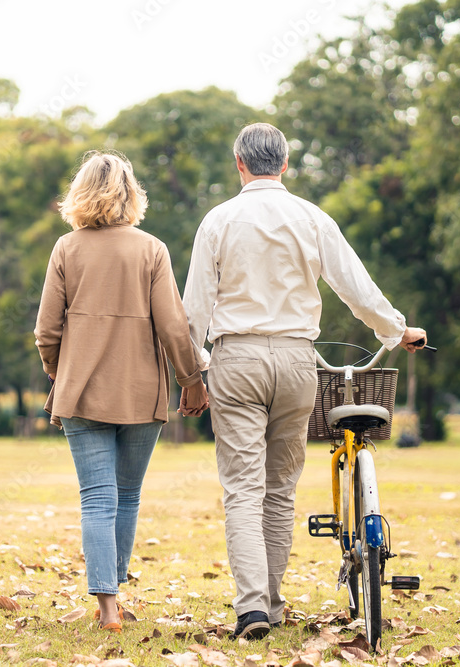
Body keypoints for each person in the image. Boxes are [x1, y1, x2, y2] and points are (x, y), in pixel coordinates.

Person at [181, 123, 428, 640]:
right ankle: (270, 604)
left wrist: (194, 368)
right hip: (298, 362)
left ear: (239, 162)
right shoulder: (312, 218)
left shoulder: (218, 220)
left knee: (243, 489)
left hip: (236, 360)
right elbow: (356, 289)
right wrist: (396, 330)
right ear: (285, 165)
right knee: (280, 490)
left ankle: (253, 608)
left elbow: (195, 311)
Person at [35, 151, 209, 633]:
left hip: (82, 394)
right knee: (126, 497)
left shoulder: (65, 249)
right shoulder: (151, 249)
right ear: (132, 194)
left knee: (97, 498)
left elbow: (47, 330)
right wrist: (190, 380)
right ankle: (114, 599)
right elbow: (174, 327)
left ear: (80, 194)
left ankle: (107, 607)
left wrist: (59, 370)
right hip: (140, 394)